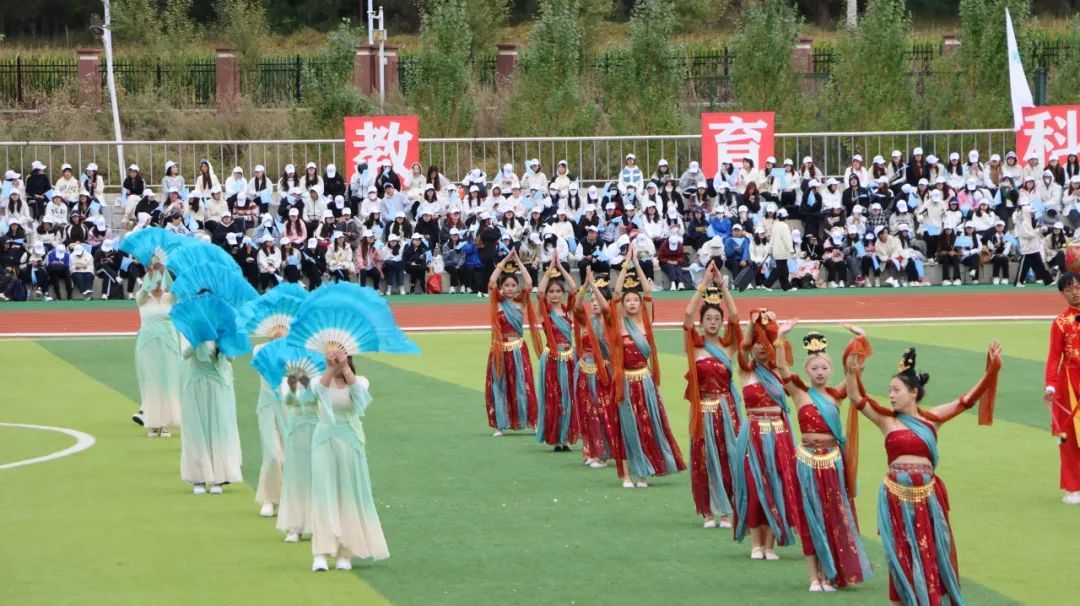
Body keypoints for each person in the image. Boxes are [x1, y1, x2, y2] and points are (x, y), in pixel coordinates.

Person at [843, 326, 1000, 606]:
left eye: (896, 390)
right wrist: (852, 361)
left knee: (932, 553)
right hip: (894, 497)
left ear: (913, 392)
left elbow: (967, 401)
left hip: (927, 497)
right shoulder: (886, 420)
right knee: (899, 556)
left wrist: (991, 370)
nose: (891, 395)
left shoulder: (931, 420)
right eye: (889, 391)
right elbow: (855, 397)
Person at [774, 328, 872, 592]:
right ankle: (813, 577)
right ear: (807, 370)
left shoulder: (836, 395)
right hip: (806, 462)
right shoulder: (799, 392)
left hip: (832, 462)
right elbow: (781, 366)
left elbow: (855, 372)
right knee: (810, 516)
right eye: (815, 368)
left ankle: (829, 574)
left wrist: (860, 340)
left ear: (830, 370)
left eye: (824, 368)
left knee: (832, 516)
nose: (820, 372)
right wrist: (780, 337)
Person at [610, 244, 686, 487]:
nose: (632, 303)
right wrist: (626, 264)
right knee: (627, 427)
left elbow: (648, 291)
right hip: (625, 383)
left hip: (645, 382)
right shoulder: (620, 323)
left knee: (647, 425)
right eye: (628, 300)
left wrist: (638, 264)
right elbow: (616, 293)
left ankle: (645, 472)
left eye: (636, 300)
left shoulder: (645, 322)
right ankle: (628, 475)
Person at [310, 350, 389, 572]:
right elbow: (319, 392)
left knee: (349, 495)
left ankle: (346, 552)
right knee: (323, 494)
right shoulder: (318, 380)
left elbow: (361, 398)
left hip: (350, 442)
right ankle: (320, 553)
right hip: (324, 441)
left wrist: (344, 367)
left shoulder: (360, 381)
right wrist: (330, 369)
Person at [732, 308, 801, 561]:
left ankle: (770, 545)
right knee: (753, 486)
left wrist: (780, 334)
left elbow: (782, 360)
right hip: (752, 435)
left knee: (776, 485)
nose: (762, 347)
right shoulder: (746, 371)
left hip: (778, 434)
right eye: (758, 343)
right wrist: (752, 325)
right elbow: (742, 348)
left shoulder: (781, 373)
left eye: (767, 342)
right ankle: (755, 545)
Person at [682, 264, 742, 529]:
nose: (714, 322)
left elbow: (736, 317)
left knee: (728, 458)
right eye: (708, 318)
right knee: (703, 459)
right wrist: (704, 283)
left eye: (717, 318)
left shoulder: (728, 348)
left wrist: (722, 286)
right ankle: (707, 512)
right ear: (702, 322)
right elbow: (687, 315)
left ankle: (727, 512)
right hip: (703, 411)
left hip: (727, 411)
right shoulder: (694, 347)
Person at [486, 251, 542, 435]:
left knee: (524, 384)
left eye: (513, 285)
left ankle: (533, 421)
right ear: (502, 287)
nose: (510, 288)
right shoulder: (497, 303)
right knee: (500, 385)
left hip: (518, 349)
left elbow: (529, 283)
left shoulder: (520, 303)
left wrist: (518, 261)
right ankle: (501, 424)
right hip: (500, 350)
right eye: (506, 285)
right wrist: (503, 261)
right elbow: (491, 282)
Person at [179, 338, 243, 495]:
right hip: (196, 383)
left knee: (219, 428)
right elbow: (184, 354)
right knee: (197, 428)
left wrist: (219, 345)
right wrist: (197, 340)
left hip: (219, 384)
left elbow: (231, 357)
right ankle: (198, 477)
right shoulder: (191, 330)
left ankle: (219, 478)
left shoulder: (223, 331)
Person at [574, 267, 618, 469]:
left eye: (597, 300)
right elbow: (576, 308)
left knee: (604, 411)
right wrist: (585, 286)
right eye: (591, 300)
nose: (594, 303)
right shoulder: (587, 321)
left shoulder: (611, 320)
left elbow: (608, 309)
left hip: (604, 373)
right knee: (588, 411)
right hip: (585, 371)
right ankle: (592, 450)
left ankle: (605, 453)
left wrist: (595, 286)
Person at [1043, 272, 1080, 505]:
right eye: (1069, 289)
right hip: (1069, 385)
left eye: (1078, 287)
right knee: (1069, 438)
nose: (1075, 292)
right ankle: (1073, 487)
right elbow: (1054, 356)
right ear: (1062, 294)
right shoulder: (1060, 323)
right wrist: (1051, 385)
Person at [536, 253, 579, 452]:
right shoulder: (544, 312)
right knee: (553, 396)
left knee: (569, 397)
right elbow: (539, 292)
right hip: (551, 359)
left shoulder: (568, 312)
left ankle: (567, 438)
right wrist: (548, 270)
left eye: (558, 291)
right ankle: (555, 438)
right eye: (551, 291)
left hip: (569, 358)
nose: (554, 294)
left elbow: (574, 289)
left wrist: (560, 267)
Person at [134, 263, 182, 437]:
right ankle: (153, 423)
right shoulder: (142, 297)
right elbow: (144, 290)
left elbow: (177, 289)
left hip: (168, 343)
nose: (156, 281)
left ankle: (166, 423)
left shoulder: (170, 298)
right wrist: (150, 272)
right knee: (151, 382)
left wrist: (162, 267)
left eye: (159, 278)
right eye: (153, 278)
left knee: (168, 382)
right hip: (147, 344)